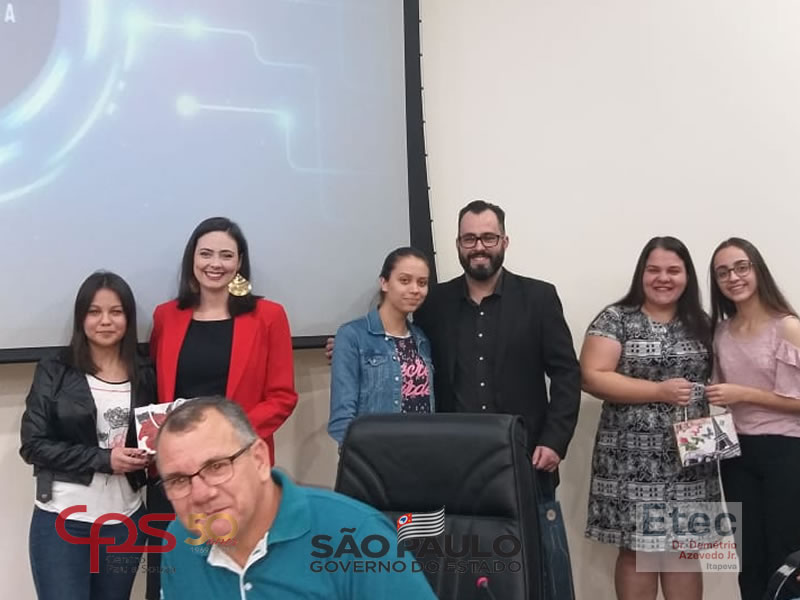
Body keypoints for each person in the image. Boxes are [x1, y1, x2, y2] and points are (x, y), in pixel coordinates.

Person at [147, 216, 298, 598]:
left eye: (226, 255)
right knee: (176, 574)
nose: (215, 263)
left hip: (236, 468)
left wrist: (225, 438)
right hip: (178, 473)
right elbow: (157, 392)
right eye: (206, 254)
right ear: (192, 259)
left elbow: (282, 397)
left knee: (237, 575)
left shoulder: (269, 316)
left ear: (239, 262)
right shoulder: (166, 316)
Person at [156, 396, 438, 599]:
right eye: (178, 480)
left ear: (259, 460)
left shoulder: (358, 536)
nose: (201, 494)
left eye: (217, 467)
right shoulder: (179, 541)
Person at [580, 236, 720, 600]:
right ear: (641, 274)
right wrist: (658, 391)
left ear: (687, 276)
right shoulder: (616, 319)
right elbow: (592, 376)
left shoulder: (702, 322)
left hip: (691, 454)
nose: (663, 278)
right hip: (630, 457)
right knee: (636, 550)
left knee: (683, 550)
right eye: (654, 269)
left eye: (673, 270)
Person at [413, 200, 581, 470]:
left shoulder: (539, 298)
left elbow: (567, 374)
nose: (479, 247)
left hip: (524, 454)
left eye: (489, 238)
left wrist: (554, 440)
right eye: (469, 239)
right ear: (458, 244)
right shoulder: (434, 302)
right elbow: (412, 359)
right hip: (453, 457)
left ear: (505, 241)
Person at [20, 271, 156, 600]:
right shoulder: (54, 369)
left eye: (116, 311)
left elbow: (155, 432)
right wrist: (104, 459)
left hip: (125, 520)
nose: (105, 321)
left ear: (128, 318)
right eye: (94, 312)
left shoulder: (146, 373)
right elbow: (33, 445)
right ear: (81, 317)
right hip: (63, 519)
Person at [707, 237, 800, 600]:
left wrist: (743, 394)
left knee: (786, 554)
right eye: (723, 272)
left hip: (786, 450)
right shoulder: (720, 332)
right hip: (735, 453)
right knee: (747, 558)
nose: (733, 277)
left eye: (741, 267)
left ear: (757, 269)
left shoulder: (787, 326)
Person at [328, 247, 434, 445]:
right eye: (404, 280)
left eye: (422, 283)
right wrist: (362, 456)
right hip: (376, 454)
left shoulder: (421, 339)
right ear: (384, 283)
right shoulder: (352, 336)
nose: (415, 290)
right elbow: (341, 418)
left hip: (422, 451)